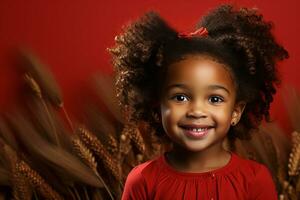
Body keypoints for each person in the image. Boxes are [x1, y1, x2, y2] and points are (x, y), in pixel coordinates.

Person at [110, 4, 289, 200]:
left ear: (236, 112)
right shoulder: (142, 180)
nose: (196, 111)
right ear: (157, 105)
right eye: (180, 97)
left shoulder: (254, 180)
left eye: (214, 99)